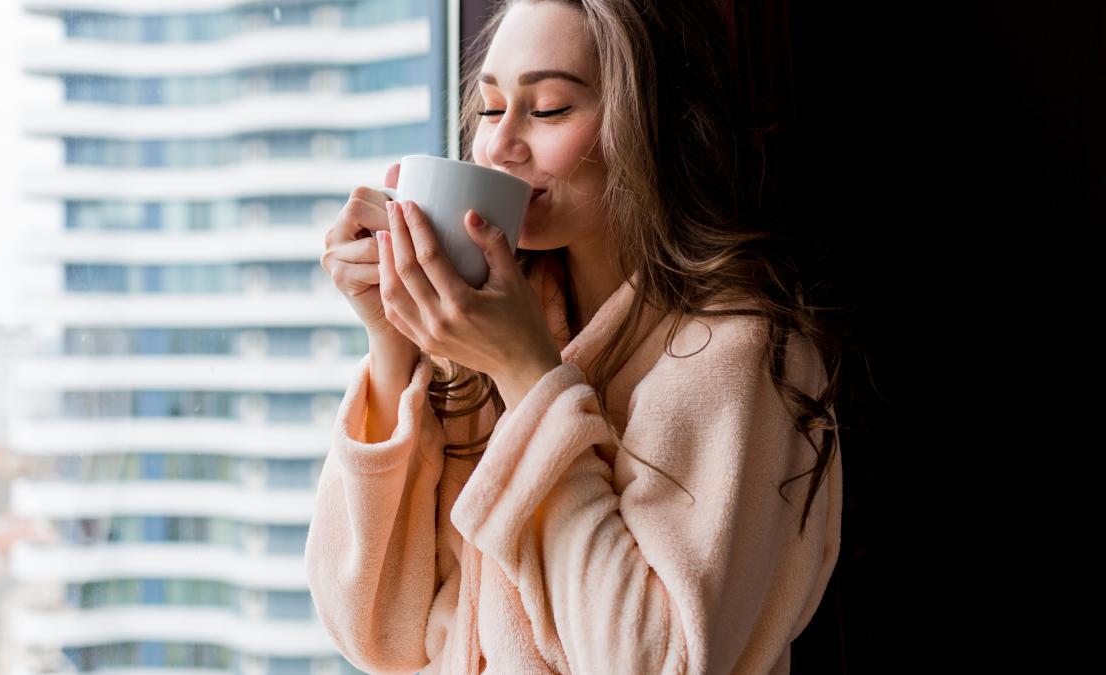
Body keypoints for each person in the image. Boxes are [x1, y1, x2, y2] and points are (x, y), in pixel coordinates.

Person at [307, 0, 846, 673]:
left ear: (651, 124)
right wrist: (392, 347)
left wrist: (528, 375)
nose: (500, 145)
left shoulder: (737, 356)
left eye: (551, 108)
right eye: (493, 107)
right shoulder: (488, 336)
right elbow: (377, 631)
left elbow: (650, 662)